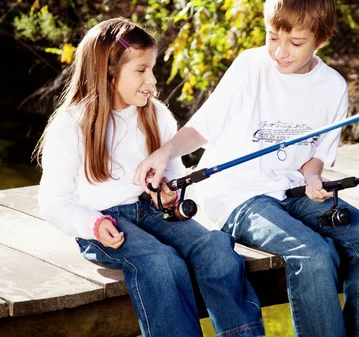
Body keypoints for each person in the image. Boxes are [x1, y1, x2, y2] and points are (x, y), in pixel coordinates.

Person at [134, 0, 359, 337]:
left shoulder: (333, 86)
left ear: (320, 40)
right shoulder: (249, 67)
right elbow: (201, 130)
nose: (280, 51)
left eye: (295, 42)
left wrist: (312, 178)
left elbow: (313, 155)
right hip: (237, 195)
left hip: (293, 191)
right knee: (314, 255)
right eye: (273, 37)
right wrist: (165, 153)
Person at [35, 18, 265, 337]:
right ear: (108, 71)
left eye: (152, 69)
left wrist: (171, 196)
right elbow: (53, 202)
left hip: (154, 214)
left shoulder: (156, 115)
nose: (152, 80)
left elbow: (174, 174)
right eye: (141, 71)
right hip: (104, 223)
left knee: (217, 249)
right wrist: (94, 226)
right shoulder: (71, 125)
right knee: (161, 262)